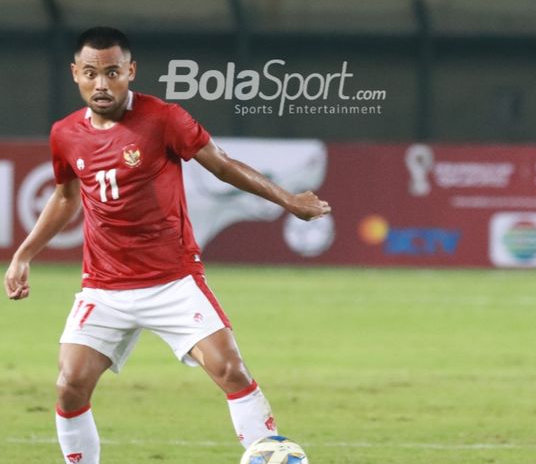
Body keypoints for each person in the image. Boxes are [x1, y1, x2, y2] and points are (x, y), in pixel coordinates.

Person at [3, 26, 331, 464]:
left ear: (131, 72)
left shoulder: (164, 119)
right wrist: (24, 255)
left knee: (230, 370)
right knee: (69, 384)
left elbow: (223, 165)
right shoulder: (65, 134)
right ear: (75, 74)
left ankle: (272, 454)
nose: (102, 84)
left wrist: (289, 200)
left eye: (113, 72)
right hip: (104, 287)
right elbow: (65, 198)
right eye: (91, 73)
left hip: (172, 280)